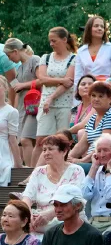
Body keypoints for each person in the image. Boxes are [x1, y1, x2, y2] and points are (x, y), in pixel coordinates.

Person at [22, 135, 86, 236]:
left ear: (64, 151)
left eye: (50, 149)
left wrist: (50, 214)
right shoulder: (39, 171)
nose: (46, 153)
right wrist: (28, 214)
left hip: (67, 221)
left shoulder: (76, 171)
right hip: (39, 223)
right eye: (44, 150)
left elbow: (74, 200)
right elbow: (27, 197)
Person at [34, 27, 76, 166]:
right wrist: (61, 80)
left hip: (64, 105)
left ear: (64, 40)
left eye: (54, 41)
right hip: (45, 105)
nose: (51, 44)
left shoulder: (74, 59)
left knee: (62, 140)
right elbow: (41, 79)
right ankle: (33, 173)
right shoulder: (45, 58)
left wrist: (51, 97)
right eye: (50, 41)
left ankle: (60, 169)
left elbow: (69, 83)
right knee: (41, 139)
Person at [67, 82, 111, 169]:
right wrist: (67, 158)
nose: (96, 99)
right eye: (93, 95)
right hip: (92, 161)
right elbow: (82, 144)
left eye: (100, 96)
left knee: (72, 169)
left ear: (110, 99)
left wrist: (82, 161)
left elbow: (105, 146)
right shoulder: (93, 117)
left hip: (104, 163)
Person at [3, 39, 40, 166]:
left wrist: (23, 85)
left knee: (25, 140)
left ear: (15, 51)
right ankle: (30, 168)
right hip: (23, 108)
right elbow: (15, 88)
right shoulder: (19, 68)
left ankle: (30, 172)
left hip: (34, 106)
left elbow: (42, 80)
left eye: (9, 56)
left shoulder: (34, 60)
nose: (9, 59)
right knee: (24, 141)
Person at [74, 15, 111, 87]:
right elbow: (78, 77)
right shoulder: (81, 51)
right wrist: (77, 96)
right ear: (89, 29)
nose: (99, 28)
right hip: (87, 91)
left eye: (102, 27)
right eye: (96, 26)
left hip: (106, 90)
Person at [0, 76, 21, 186]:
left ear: (5, 88)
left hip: (2, 150)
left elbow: (12, 139)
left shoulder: (11, 112)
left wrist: (18, 164)